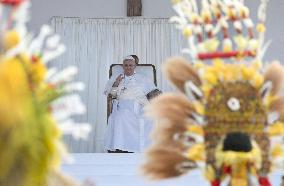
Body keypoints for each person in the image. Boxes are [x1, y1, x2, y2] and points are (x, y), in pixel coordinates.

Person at [103, 55, 157, 153]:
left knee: (151, 118)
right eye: (126, 65)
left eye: (131, 65)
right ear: (123, 66)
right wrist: (116, 83)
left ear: (135, 66)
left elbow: (153, 92)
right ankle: (121, 147)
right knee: (121, 116)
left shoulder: (143, 78)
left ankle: (148, 148)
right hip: (124, 106)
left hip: (141, 105)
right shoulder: (116, 77)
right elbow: (112, 95)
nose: (128, 68)